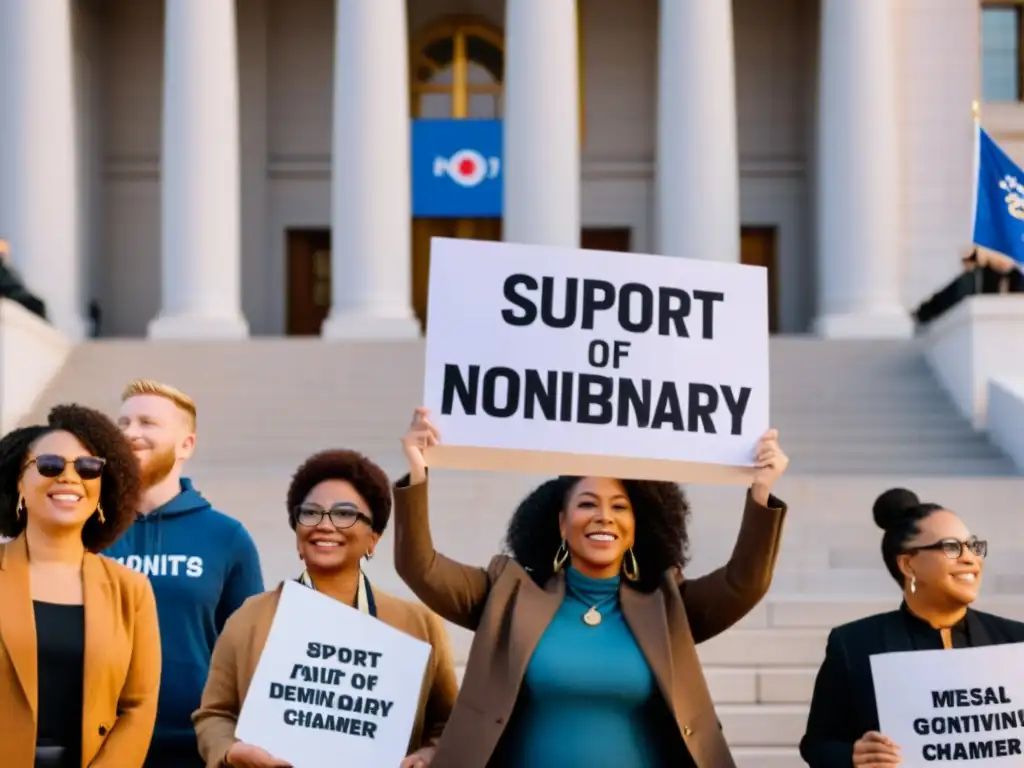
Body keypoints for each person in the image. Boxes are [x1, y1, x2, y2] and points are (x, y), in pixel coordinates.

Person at [393, 407, 790, 768]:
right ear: (562, 525)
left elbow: (743, 583)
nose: (604, 517)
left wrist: (760, 492)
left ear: (637, 528)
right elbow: (421, 567)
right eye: (587, 504)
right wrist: (418, 470)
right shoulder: (507, 592)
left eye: (618, 507)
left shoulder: (667, 603)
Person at [193, 449, 458, 768]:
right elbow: (214, 715)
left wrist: (430, 754)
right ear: (297, 532)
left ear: (373, 537)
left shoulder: (417, 625)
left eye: (344, 514)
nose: (324, 525)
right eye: (311, 513)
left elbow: (448, 723)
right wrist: (229, 751)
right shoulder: (250, 618)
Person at [799, 488, 1024, 767]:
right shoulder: (854, 644)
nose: (971, 558)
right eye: (952, 546)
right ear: (908, 564)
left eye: (974, 546)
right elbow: (818, 744)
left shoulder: (1016, 641)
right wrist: (853, 756)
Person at [104, 379, 265, 768]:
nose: (130, 433)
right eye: (123, 423)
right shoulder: (89, 530)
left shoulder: (227, 537)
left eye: (147, 423)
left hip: (194, 748)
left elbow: (251, 654)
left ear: (186, 446)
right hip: (101, 745)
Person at [0, 404, 161, 768]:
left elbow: (139, 705)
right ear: (18, 482)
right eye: (50, 465)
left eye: (88, 468)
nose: (69, 478)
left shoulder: (131, 590)